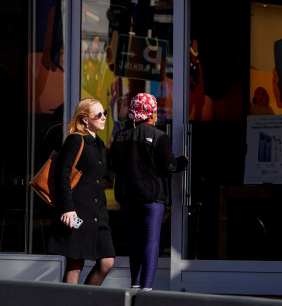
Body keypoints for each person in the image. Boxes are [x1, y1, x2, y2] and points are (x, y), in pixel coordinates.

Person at [109, 93, 188, 290]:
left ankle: (135, 286)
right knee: (151, 241)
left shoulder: (120, 136)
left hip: (127, 197)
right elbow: (170, 165)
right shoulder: (159, 136)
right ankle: (147, 289)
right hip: (152, 198)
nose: (156, 115)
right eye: (155, 111)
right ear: (150, 113)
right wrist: (183, 161)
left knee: (136, 240)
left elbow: (112, 164)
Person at [47, 98, 115, 285]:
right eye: (99, 114)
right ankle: (71, 299)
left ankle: (86, 297)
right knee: (75, 263)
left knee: (107, 262)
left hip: (98, 214)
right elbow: (62, 175)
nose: (104, 117)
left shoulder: (99, 144)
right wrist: (68, 209)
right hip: (78, 211)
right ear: (85, 119)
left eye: (105, 113)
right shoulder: (75, 140)